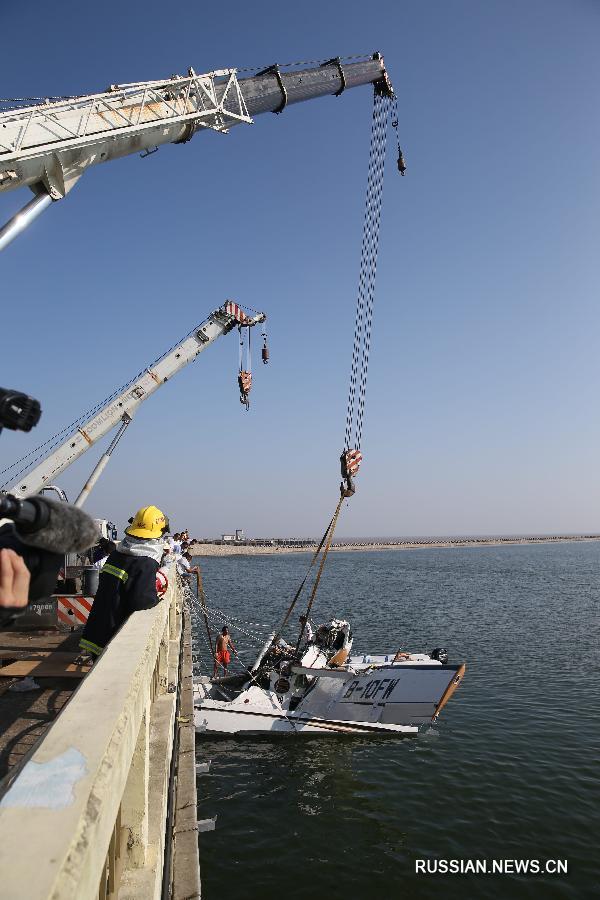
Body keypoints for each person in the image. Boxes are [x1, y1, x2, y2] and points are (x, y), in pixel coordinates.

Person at [76, 505, 169, 663]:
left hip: (97, 630)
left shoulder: (118, 554)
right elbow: (142, 600)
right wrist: (156, 598)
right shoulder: (145, 562)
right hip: (114, 633)